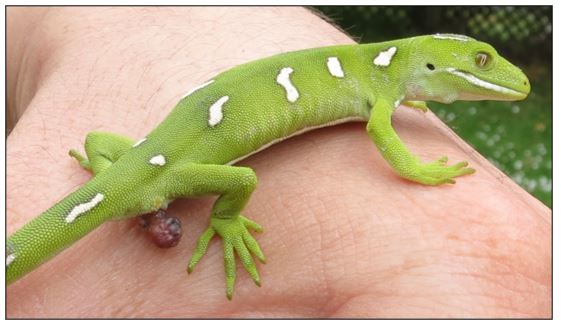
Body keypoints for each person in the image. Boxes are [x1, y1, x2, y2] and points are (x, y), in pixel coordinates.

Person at [6, 7, 551, 318]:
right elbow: (380, 137)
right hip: (167, 179)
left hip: (134, 161)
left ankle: (123, 189)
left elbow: (101, 138)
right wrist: (421, 172)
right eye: (481, 60)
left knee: (104, 144)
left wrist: (112, 178)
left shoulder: (385, 79)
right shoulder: (379, 92)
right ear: (427, 62)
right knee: (239, 178)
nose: (492, 68)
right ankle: (213, 216)